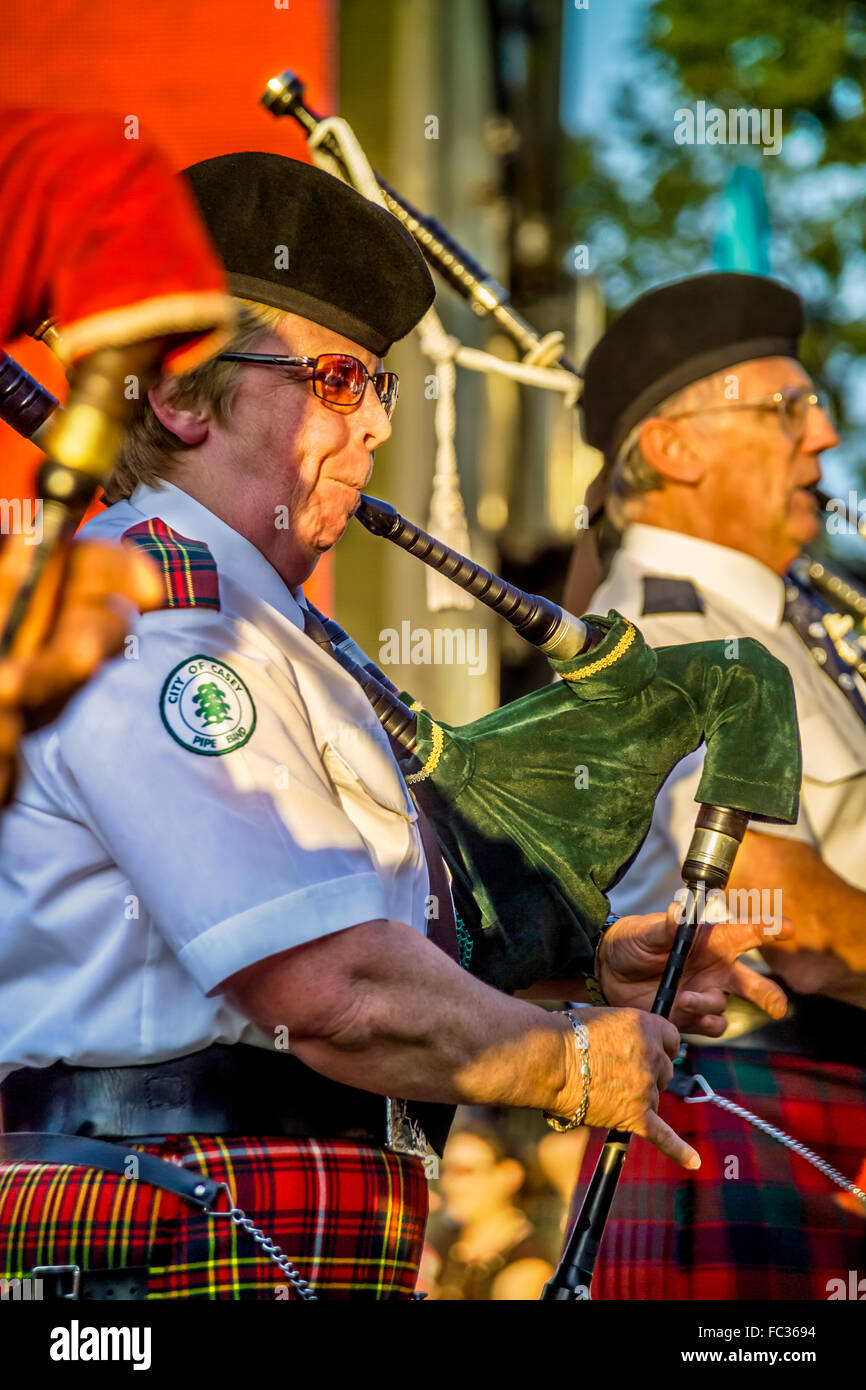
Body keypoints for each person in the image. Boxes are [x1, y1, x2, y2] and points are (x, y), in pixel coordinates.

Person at [0, 164, 789, 1301]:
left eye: (377, 385)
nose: (372, 419)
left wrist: (573, 979)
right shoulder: (155, 621)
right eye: (333, 379)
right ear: (181, 397)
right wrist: (565, 1064)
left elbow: (333, 936)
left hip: (250, 1210)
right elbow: (332, 989)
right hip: (168, 1227)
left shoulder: (268, 630)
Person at [566, 271, 866, 1301]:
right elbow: (765, 903)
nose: (821, 435)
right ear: (672, 446)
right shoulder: (670, 634)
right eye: (785, 407)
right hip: (755, 1110)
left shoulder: (779, 630)